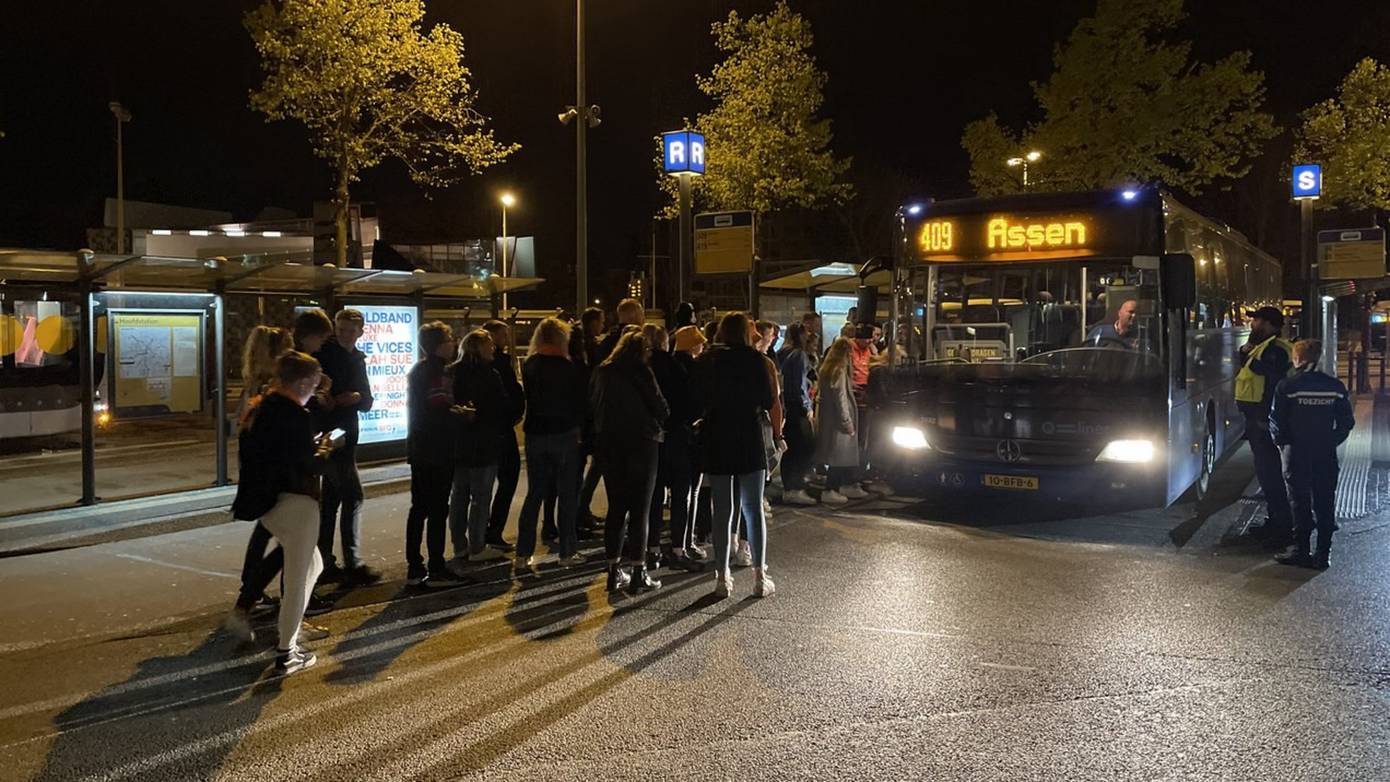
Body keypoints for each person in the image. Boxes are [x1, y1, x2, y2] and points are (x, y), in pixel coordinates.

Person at [230, 351, 337, 675]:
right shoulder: (294, 415)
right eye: (314, 384)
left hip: (267, 505)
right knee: (298, 577)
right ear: (303, 381)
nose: (315, 390)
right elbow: (305, 463)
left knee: (312, 566)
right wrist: (326, 449)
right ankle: (286, 651)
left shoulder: (261, 408)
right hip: (297, 503)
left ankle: (275, 629)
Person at [694, 312, 780, 599]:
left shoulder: (708, 360)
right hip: (748, 434)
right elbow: (768, 401)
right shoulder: (757, 361)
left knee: (722, 509)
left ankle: (722, 577)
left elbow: (698, 398)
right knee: (753, 508)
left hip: (718, 435)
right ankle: (759, 576)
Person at [591, 327, 669, 593]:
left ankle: (613, 571)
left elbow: (592, 406)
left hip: (610, 444)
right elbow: (660, 406)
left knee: (616, 508)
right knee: (640, 510)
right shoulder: (641, 371)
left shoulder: (603, 371)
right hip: (642, 443)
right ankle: (639, 571)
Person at [1271, 340, 1354, 569]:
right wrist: (1330, 441)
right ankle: (1323, 554)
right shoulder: (1335, 387)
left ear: (1298, 358)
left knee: (1299, 501)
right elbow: (1347, 422)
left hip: (1296, 452)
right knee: (1325, 500)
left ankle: (1301, 550)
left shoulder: (1287, 386)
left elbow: (1276, 421)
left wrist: (1283, 444)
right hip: (1324, 453)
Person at [314, 308, 379, 587]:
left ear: (360, 332)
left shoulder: (357, 359)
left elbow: (367, 400)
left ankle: (326, 561)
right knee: (352, 496)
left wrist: (356, 397)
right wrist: (336, 400)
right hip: (330, 434)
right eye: (341, 329)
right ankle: (350, 562)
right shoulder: (324, 356)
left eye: (351, 331)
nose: (345, 335)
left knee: (331, 500)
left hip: (345, 433)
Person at [515, 317, 587, 568]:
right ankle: (567, 552)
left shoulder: (531, 364)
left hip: (536, 433)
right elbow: (578, 401)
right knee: (567, 493)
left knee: (535, 492)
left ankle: (523, 553)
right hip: (564, 433)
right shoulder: (568, 368)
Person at [403, 322, 468, 588]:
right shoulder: (437, 371)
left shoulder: (419, 368)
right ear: (440, 344)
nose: (453, 343)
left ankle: (415, 566)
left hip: (419, 448)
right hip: (437, 450)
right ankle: (437, 567)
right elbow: (439, 408)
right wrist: (461, 414)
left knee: (419, 507)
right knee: (438, 509)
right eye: (450, 339)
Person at [644, 323, 703, 572]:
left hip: (652, 439)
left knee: (655, 496)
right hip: (678, 436)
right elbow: (691, 403)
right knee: (681, 495)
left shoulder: (644, 368)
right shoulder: (678, 368)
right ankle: (678, 548)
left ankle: (652, 548)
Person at [1238, 306, 1296, 544]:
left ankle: (1281, 530)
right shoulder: (1267, 347)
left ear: (1269, 324)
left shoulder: (1276, 350)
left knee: (1271, 476)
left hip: (1264, 421)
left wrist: (1265, 419)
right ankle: (1275, 523)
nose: (1253, 325)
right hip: (1259, 419)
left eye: (1257, 321)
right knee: (1268, 476)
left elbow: (1274, 385)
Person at [450, 329, 508, 566]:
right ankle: (477, 545)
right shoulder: (489, 374)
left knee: (459, 496)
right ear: (478, 348)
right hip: (483, 443)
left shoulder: (451, 372)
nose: (493, 348)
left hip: (458, 444)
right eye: (489, 345)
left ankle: (459, 546)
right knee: (481, 497)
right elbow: (500, 407)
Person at [481, 320, 524, 552]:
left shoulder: (496, 362)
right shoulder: (495, 365)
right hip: (501, 429)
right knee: (506, 477)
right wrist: (514, 412)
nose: (506, 340)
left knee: (495, 481)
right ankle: (492, 531)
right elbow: (506, 394)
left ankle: (486, 531)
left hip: (500, 427)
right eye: (502, 335)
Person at [670, 325, 709, 563]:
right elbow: (698, 403)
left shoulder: (669, 365)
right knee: (689, 492)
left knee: (678, 492)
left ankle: (678, 543)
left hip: (671, 436)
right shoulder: (694, 369)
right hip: (690, 435)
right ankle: (684, 543)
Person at [816, 337, 861, 506]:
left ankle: (836, 487)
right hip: (838, 422)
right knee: (838, 457)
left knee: (837, 455)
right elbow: (841, 398)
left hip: (829, 419)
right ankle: (831, 489)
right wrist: (847, 422)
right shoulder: (839, 371)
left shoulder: (827, 369)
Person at [779, 322, 817, 506]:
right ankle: (796, 487)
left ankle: (789, 486)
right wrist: (807, 406)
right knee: (803, 446)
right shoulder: (800, 355)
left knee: (790, 447)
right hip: (797, 406)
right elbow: (799, 383)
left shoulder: (782, 352)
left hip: (785, 404)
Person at [595, 297, 644, 364]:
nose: (643, 317)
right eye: (641, 313)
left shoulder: (609, 338)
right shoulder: (637, 339)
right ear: (632, 315)